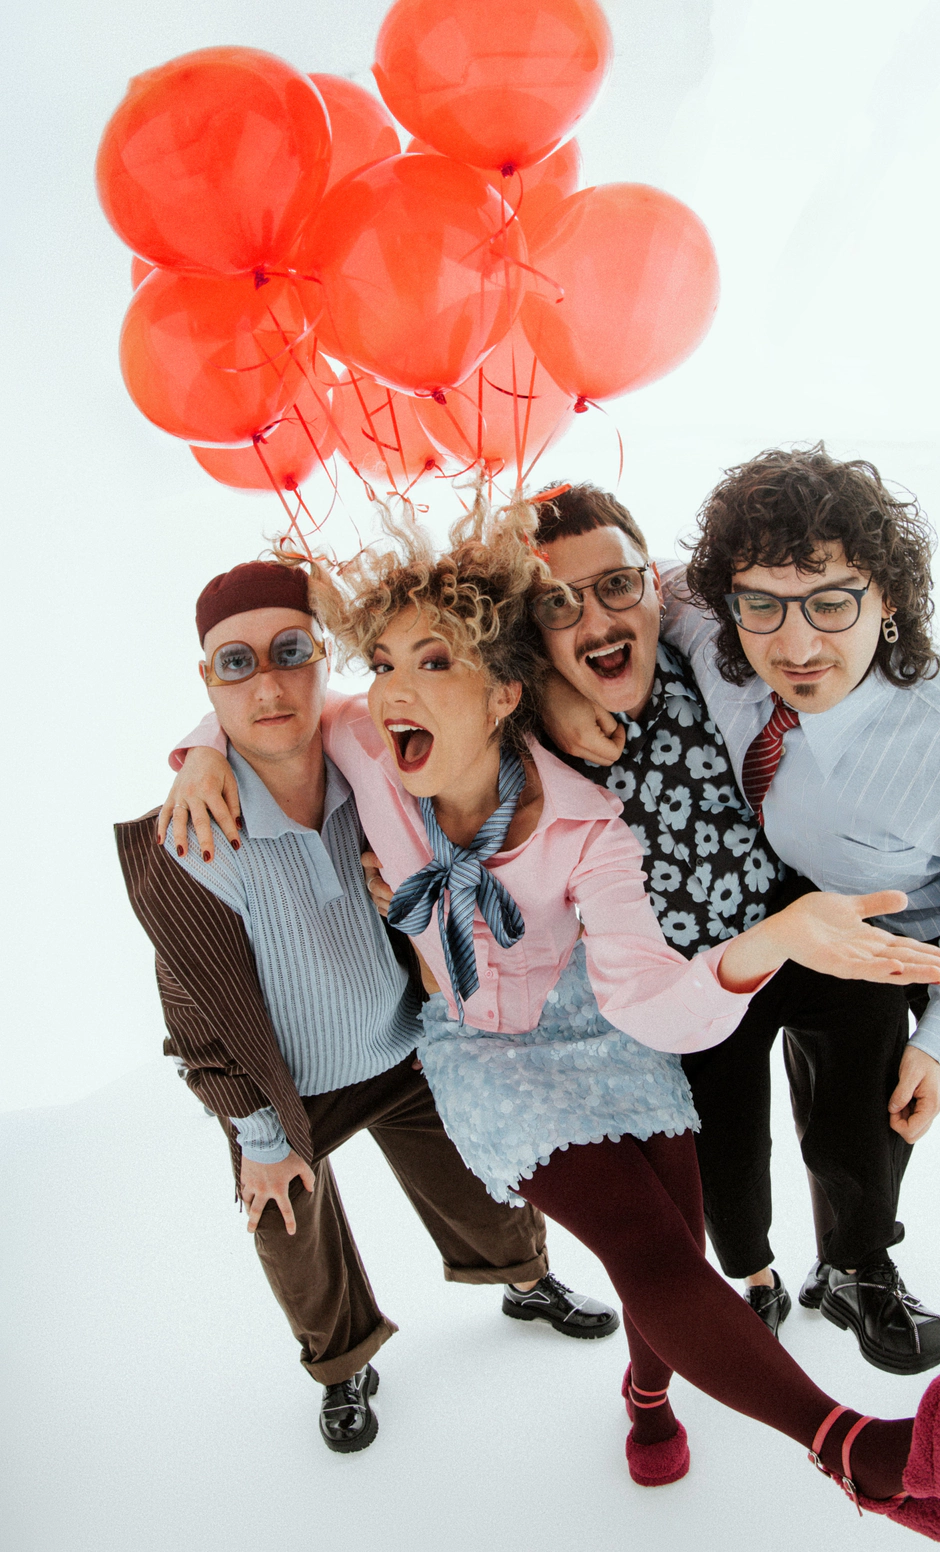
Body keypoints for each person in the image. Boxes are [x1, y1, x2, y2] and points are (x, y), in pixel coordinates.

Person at [162, 503, 940, 1546]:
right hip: (486, 1052)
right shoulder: (366, 742)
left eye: (432, 662)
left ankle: (650, 1399)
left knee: (680, 1239)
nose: (389, 690)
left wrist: (770, 941)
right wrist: (197, 750)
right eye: (381, 664)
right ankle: (864, 1454)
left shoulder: (587, 825)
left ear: (504, 691)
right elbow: (270, 705)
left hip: (605, 1022)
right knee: (646, 1249)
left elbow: (650, 1000)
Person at [117, 559, 618, 1457]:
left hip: (400, 1046)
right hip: (284, 1094)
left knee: (483, 1175)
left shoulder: (371, 766)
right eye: (236, 664)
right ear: (207, 681)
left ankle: (524, 1278)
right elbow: (195, 1016)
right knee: (288, 1231)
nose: (267, 685)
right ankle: (341, 1365)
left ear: (322, 659)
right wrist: (260, 1135)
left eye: (290, 653)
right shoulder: (197, 834)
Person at [527, 481, 940, 1372]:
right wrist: (538, 682)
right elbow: (407, 696)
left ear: (654, 585)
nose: (597, 619)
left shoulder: (702, 638)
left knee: (870, 1039)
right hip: (690, 979)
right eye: (558, 604)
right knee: (724, 1147)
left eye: (617, 586)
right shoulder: (525, 720)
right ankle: (754, 1273)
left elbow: (724, 581)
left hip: (791, 915)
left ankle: (859, 1262)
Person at [665, 444, 940, 1379]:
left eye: (831, 603)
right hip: (821, 924)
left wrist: (938, 1039)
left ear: (888, 598)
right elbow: (606, 579)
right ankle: (846, 1268)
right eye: (762, 604)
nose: (795, 645)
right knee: (832, 1110)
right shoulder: (712, 634)